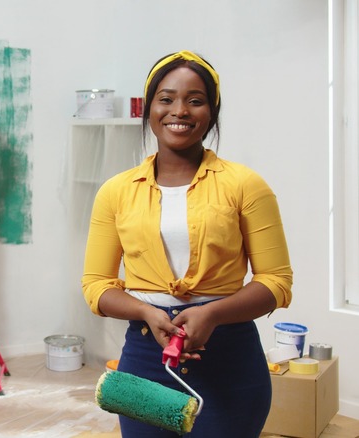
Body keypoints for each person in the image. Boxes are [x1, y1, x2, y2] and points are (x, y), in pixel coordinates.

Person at [82, 51, 293, 437]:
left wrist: (211, 315)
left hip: (230, 359)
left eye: (195, 100)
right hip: (145, 358)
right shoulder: (116, 192)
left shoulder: (246, 185)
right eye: (166, 98)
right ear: (149, 109)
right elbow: (96, 286)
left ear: (211, 112)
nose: (179, 110)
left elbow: (276, 282)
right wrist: (145, 312)